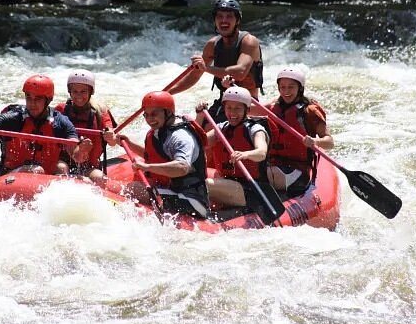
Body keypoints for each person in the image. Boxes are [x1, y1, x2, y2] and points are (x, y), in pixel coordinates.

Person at [105, 91, 210, 218]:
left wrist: (146, 167)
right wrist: (129, 143)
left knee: (134, 189)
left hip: (192, 201)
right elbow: (153, 155)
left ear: (168, 112)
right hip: (173, 191)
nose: (150, 119)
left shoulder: (181, 137)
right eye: (146, 115)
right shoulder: (160, 130)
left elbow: (182, 168)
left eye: (154, 114)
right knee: (135, 186)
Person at [169, 0, 264, 124]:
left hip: (248, 105)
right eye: (220, 16)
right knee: (195, 132)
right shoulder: (212, 45)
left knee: (210, 133)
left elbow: (240, 73)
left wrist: (206, 68)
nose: (224, 20)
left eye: (229, 16)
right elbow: (194, 76)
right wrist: (167, 93)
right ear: (215, 20)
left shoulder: (249, 41)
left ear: (237, 20)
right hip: (224, 103)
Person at [0, 74, 86, 176]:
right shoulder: (14, 117)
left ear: (48, 100)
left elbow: (75, 152)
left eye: (37, 99)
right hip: (11, 177)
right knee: (36, 170)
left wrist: (81, 150)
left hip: (45, 179)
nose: (32, 103)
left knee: (62, 168)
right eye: (29, 98)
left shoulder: (60, 122)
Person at [195, 86, 278, 219]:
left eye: (237, 108)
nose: (232, 113)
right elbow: (197, 143)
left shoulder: (255, 129)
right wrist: (199, 116)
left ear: (247, 110)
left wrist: (246, 154)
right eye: (229, 108)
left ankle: (196, 212)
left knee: (202, 184)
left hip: (250, 188)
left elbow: (261, 152)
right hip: (228, 182)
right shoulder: (221, 128)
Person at [263, 67, 334, 197]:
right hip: (274, 165)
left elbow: (329, 142)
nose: (286, 91)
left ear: (300, 88)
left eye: (291, 87)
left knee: (260, 175)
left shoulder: (310, 111)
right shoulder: (273, 107)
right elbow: (247, 110)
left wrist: (315, 141)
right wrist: (229, 89)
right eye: (283, 87)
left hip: (298, 172)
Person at [55, 69, 116, 184]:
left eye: (83, 91)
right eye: (75, 91)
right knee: (61, 169)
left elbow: (113, 141)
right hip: (64, 161)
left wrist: (110, 135)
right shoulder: (61, 110)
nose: (79, 96)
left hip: (89, 166)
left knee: (99, 177)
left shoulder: (100, 112)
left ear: (90, 92)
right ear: (70, 92)